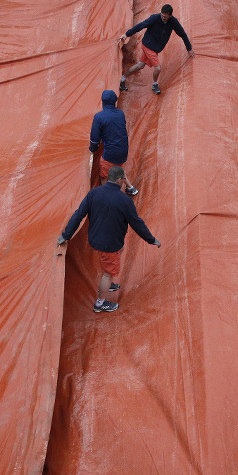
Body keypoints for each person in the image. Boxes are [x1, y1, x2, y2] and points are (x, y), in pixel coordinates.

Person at [56, 166, 161, 313]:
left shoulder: (94, 193)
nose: (125, 181)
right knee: (108, 273)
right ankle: (100, 304)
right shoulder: (124, 201)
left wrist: (66, 235)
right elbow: (136, 223)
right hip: (109, 245)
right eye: (124, 179)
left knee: (116, 254)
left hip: (95, 239)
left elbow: (78, 215)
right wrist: (151, 239)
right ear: (119, 180)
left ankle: (108, 282)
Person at [118, 4, 195, 95]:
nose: (163, 18)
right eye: (162, 15)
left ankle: (123, 78)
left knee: (141, 65)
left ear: (170, 15)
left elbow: (183, 34)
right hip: (148, 45)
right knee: (158, 68)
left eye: (165, 17)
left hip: (155, 48)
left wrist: (189, 48)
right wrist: (127, 34)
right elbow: (141, 25)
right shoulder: (155, 18)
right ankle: (155, 84)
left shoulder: (173, 22)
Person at [89, 90, 138, 195]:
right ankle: (130, 188)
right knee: (117, 167)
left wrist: (92, 149)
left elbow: (94, 139)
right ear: (115, 101)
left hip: (111, 153)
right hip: (123, 150)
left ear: (102, 101)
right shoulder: (120, 113)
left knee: (103, 174)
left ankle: (107, 195)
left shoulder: (99, 117)